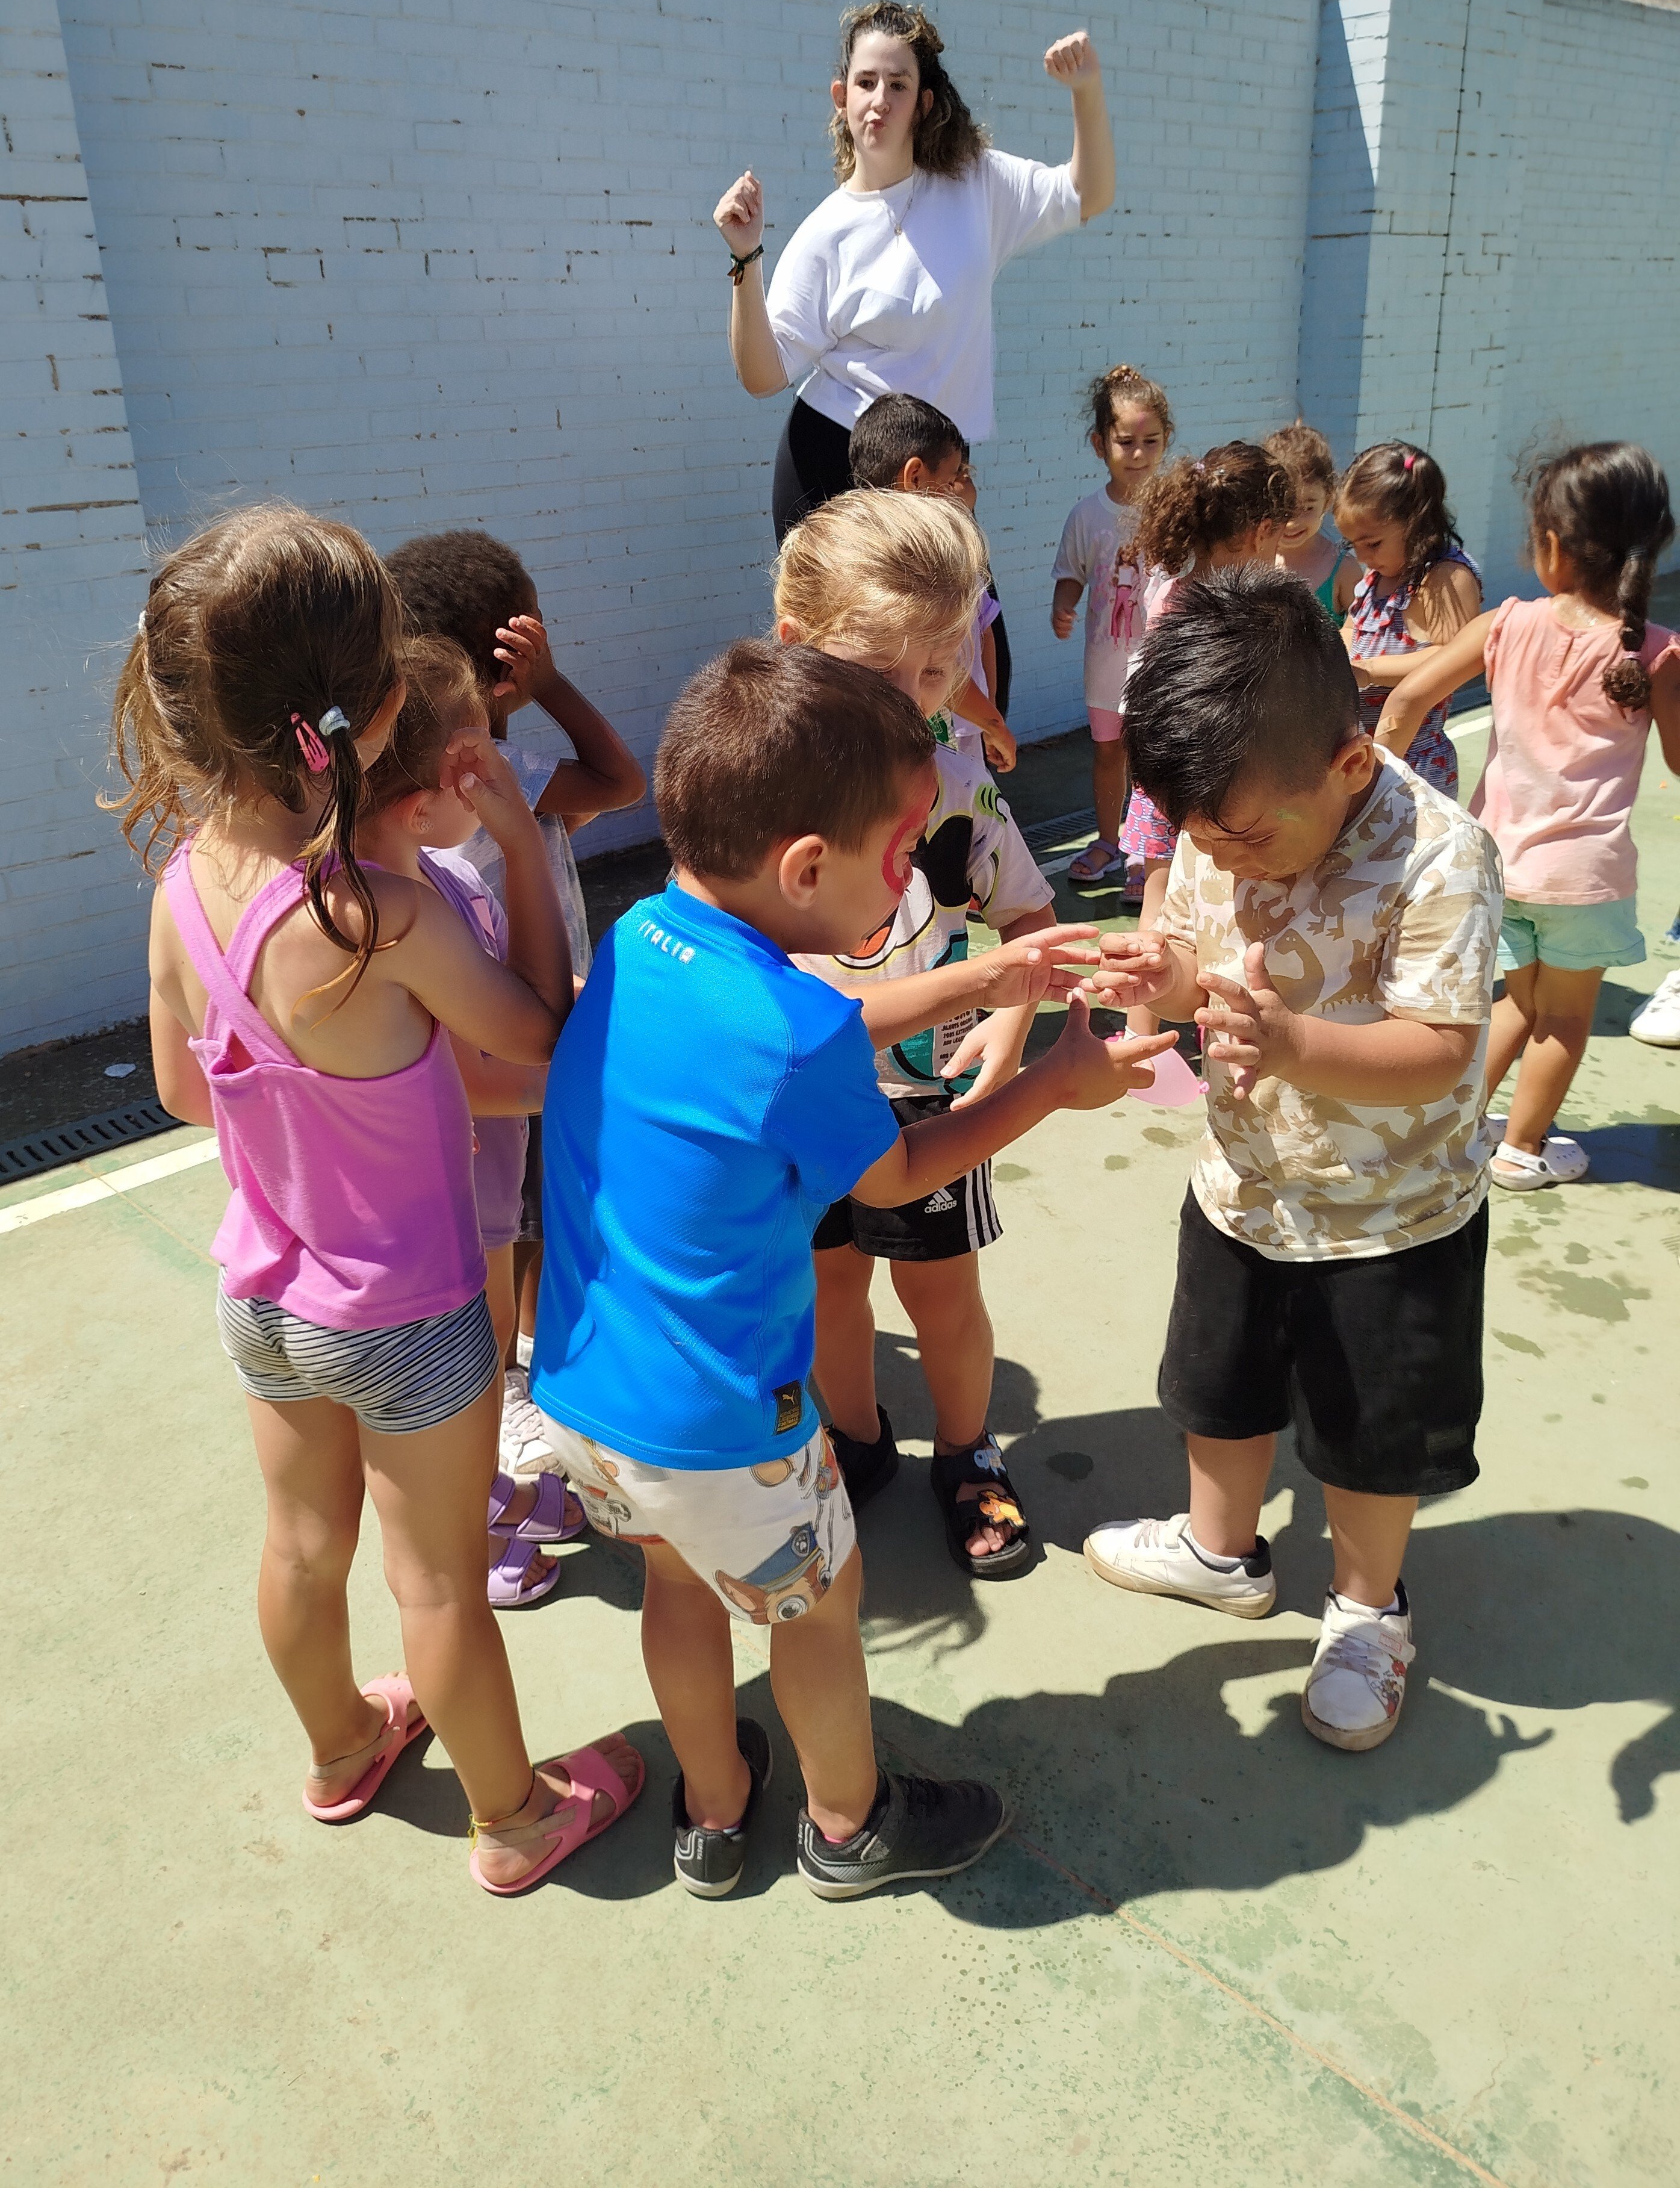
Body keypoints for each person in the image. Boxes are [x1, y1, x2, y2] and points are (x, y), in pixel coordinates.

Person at [527, 639, 1173, 1897]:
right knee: (814, 1610)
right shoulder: (800, 1027)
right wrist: (1052, 1081)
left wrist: (973, 980)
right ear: (807, 868)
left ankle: (712, 1816)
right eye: (901, 848)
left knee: (675, 1586)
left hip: (587, 1398)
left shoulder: (645, 936)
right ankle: (847, 1820)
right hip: (731, 1428)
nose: (911, 872)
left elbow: (778, 1040)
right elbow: (893, 1171)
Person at [111, 506, 642, 1893]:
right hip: (403, 1310)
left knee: (299, 1540)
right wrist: (522, 845)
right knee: (436, 1584)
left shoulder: (184, 889)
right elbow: (536, 1042)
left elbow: (182, 1090)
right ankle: (515, 1815)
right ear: (383, 703)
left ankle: (344, 1742)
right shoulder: (377, 914)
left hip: (260, 1292)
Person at [1085, 568, 1502, 1754]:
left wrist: (1294, 1042)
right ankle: (1221, 1549)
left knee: (1369, 1437)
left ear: (1351, 764)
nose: (1232, 857)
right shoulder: (1230, 822)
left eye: (1253, 834)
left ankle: (1371, 1609)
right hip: (1243, 1186)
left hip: (1390, 1217)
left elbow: (1438, 1049)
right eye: (1206, 835)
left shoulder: (1440, 857)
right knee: (1217, 1387)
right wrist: (1150, 978)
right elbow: (1195, 957)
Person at [775, 493, 1070, 1577]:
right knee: (830, 1285)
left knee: (939, 1290)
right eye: (883, 669)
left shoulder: (951, 772)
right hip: (796, 1096)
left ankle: (965, 1450)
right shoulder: (756, 773)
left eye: (939, 670)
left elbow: (1028, 916)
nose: (914, 700)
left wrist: (1007, 1025)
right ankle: (855, 1442)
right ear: (799, 647)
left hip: (921, 1094)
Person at [384, 529, 645, 1477]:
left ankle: (528, 1366)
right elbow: (622, 780)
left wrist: (544, 691)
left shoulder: (503, 770)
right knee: (506, 1221)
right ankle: (500, 1405)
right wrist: (549, 689)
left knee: (535, 1215)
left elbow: (622, 785)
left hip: (542, 1033)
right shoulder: (472, 801)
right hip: (514, 1054)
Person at [1376, 441, 1679, 1188]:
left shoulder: (1506, 624)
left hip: (1497, 865)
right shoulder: (1656, 652)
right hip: (1585, 879)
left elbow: (1408, 697)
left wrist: (1381, 787)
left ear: (1551, 546)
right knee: (1563, 1021)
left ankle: (1456, 1133)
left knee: (1513, 1003)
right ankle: (1521, 1148)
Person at [357, 635, 586, 1605]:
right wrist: (581, 1076)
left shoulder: (443, 880)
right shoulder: (394, 916)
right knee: (471, 1361)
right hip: (447, 1191)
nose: (497, 769)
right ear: (429, 792)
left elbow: (528, 1000)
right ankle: (469, 1535)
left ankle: (487, 1489)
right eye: (478, 757)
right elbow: (480, 1069)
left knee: (487, 1354)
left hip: (485, 1175)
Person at [713, 0, 1114, 541]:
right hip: (837, 470)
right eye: (866, 82)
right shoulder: (824, 234)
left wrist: (1085, 91)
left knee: (979, 625)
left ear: (924, 104)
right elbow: (762, 376)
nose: (880, 101)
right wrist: (745, 256)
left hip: (937, 475)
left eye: (898, 85)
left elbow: (1088, 194)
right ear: (841, 98)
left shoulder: (975, 184)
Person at [1118, 443, 1294, 1041]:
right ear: (1262, 529)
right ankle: (1217, 1027)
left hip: (1161, 772)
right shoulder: (1248, 600)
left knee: (1158, 907)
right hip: (1217, 779)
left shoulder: (1172, 589)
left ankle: (1139, 1042)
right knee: (1226, 908)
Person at [1050, 363, 1174, 886]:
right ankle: (1108, 840)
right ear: (1099, 444)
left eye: (1151, 441)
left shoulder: (1176, 510)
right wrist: (1064, 605)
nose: (1139, 454)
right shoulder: (1086, 515)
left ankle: (1151, 855)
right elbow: (1070, 571)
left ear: (1166, 441)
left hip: (1162, 664)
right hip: (1106, 664)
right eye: (1126, 442)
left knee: (1155, 759)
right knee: (1108, 753)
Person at [846, 391, 1014, 770]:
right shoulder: (911, 570)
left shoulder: (851, 554)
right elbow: (938, 669)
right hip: (924, 743)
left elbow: (984, 634)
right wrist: (993, 722)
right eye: (953, 477)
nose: (961, 489)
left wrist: (989, 716)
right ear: (916, 477)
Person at [1334, 443, 1482, 798]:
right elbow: (1352, 630)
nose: (1362, 557)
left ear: (1415, 522)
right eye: (1353, 544)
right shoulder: (1377, 576)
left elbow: (1452, 659)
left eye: (1372, 543)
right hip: (1365, 753)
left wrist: (1369, 672)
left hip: (1415, 765)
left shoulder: (1445, 578)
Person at [1265, 421, 1356, 618]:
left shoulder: (1343, 570)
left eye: (1307, 508)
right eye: (1282, 506)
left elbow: (1366, 639)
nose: (1291, 522)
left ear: (1328, 500)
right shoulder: (1249, 562)